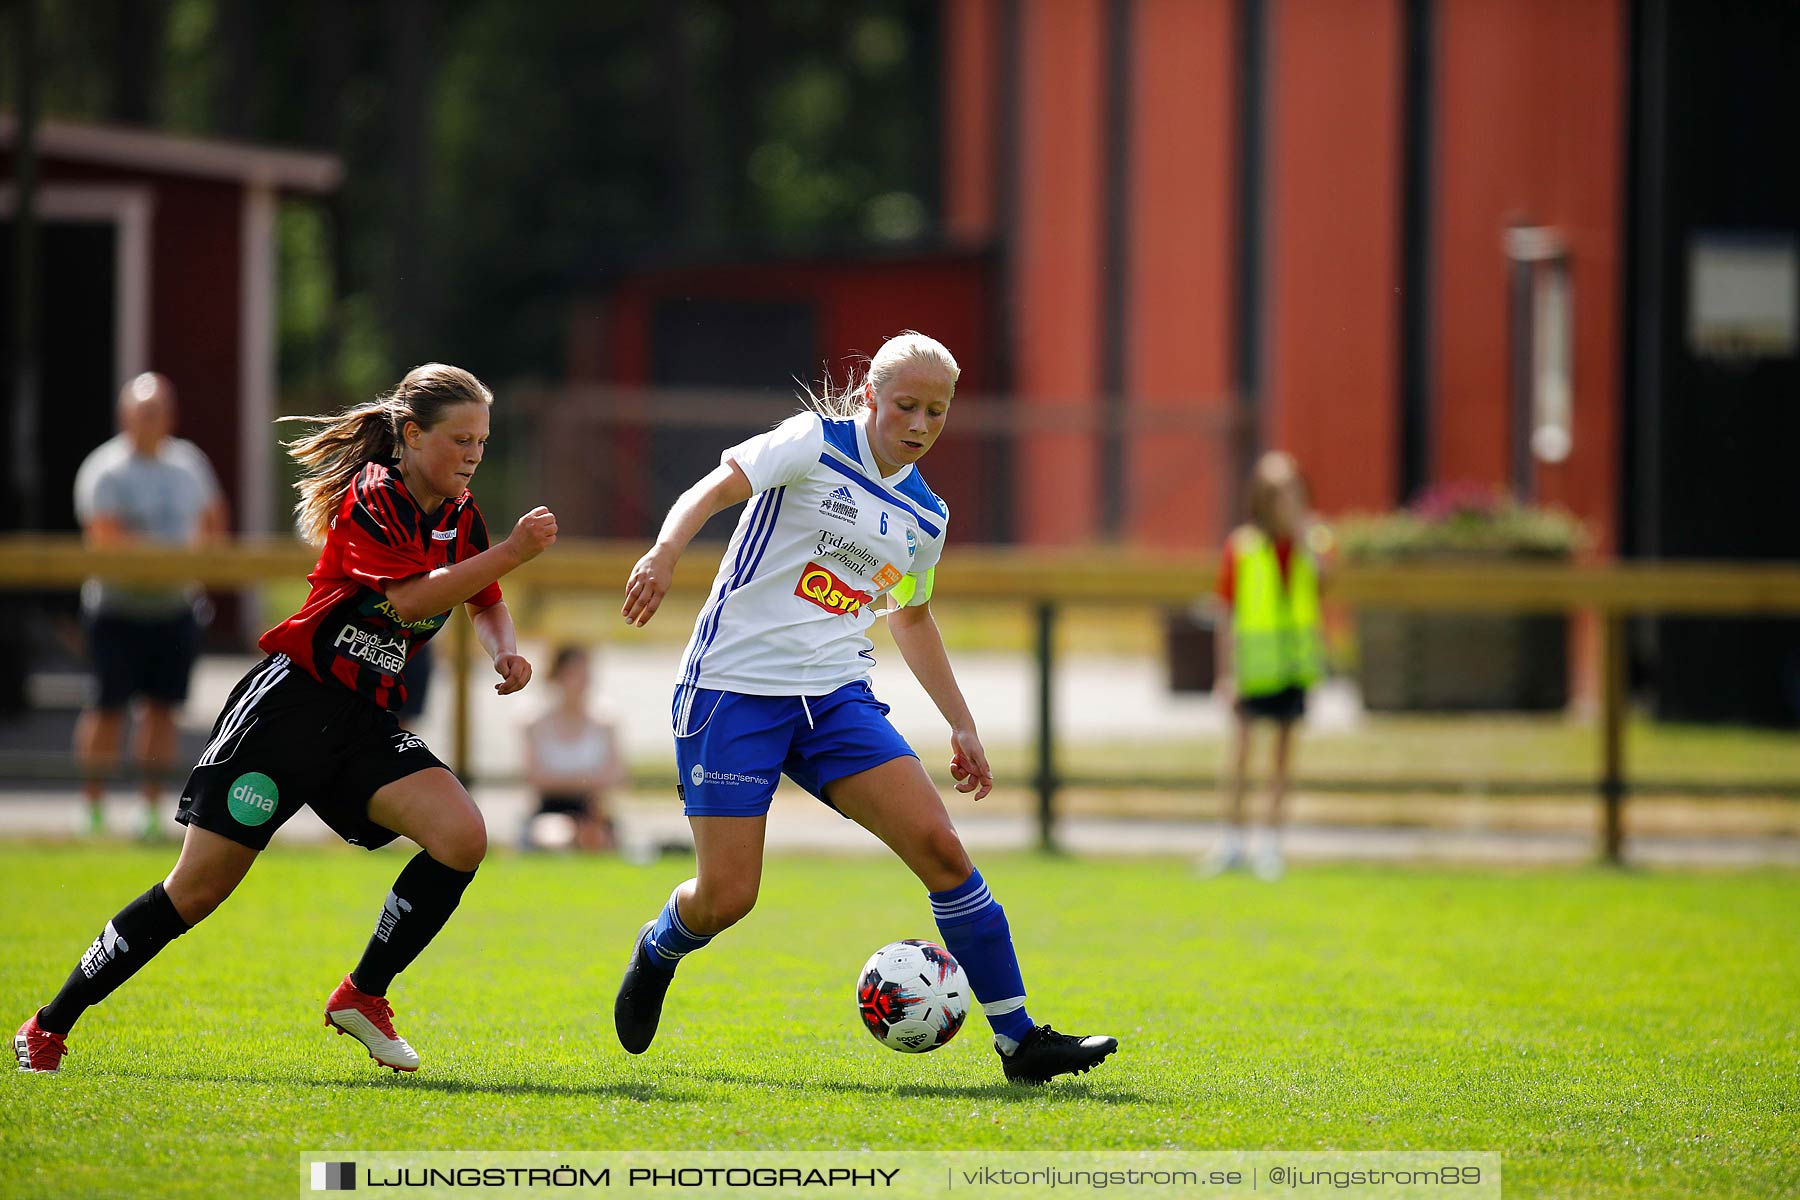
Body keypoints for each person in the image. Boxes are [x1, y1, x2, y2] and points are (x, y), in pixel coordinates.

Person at [14, 364, 558, 1075]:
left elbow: (482, 597)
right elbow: (412, 598)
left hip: (362, 717)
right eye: (461, 439)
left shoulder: (461, 514)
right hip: (289, 710)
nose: (474, 454)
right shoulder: (376, 496)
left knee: (462, 835)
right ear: (412, 435)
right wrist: (513, 551)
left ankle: (363, 994)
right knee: (197, 892)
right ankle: (48, 1025)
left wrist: (506, 652)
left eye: (482, 441)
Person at [612, 331, 1117, 1084]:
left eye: (936, 412)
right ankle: (660, 946)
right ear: (869, 397)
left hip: (834, 699)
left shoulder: (926, 516)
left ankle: (1019, 1042)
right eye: (906, 405)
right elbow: (717, 486)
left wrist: (961, 721)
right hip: (733, 688)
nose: (919, 424)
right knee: (727, 897)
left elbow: (908, 618)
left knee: (942, 850)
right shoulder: (812, 442)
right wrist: (664, 550)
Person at [71, 373, 228, 839]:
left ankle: (149, 809)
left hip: (175, 608)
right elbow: (104, 536)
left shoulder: (189, 465)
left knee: (162, 710)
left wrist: (194, 558)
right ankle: (93, 806)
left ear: (170, 416)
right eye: (142, 412)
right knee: (107, 707)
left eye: (157, 411)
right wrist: (175, 553)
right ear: (125, 416)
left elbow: (213, 522)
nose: (149, 420)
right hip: (116, 609)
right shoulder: (105, 469)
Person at [1203, 451, 1330, 881]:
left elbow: (1325, 586)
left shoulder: (1313, 543)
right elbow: (1226, 613)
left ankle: (1271, 841)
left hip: (1293, 669)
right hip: (1252, 670)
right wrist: (1226, 674)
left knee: (1281, 759)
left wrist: (1306, 539)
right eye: (1277, 493)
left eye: (1293, 491)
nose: (1286, 501)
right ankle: (1231, 840)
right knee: (1239, 755)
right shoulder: (1242, 547)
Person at [522, 645, 624, 852]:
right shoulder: (533, 721)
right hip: (548, 810)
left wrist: (563, 781)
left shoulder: (606, 721)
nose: (582, 681)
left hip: (595, 811)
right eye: (575, 673)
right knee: (556, 837)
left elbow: (617, 776)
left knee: (597, 838)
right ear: (557, 675)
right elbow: (535, 778)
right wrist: (586, 780)